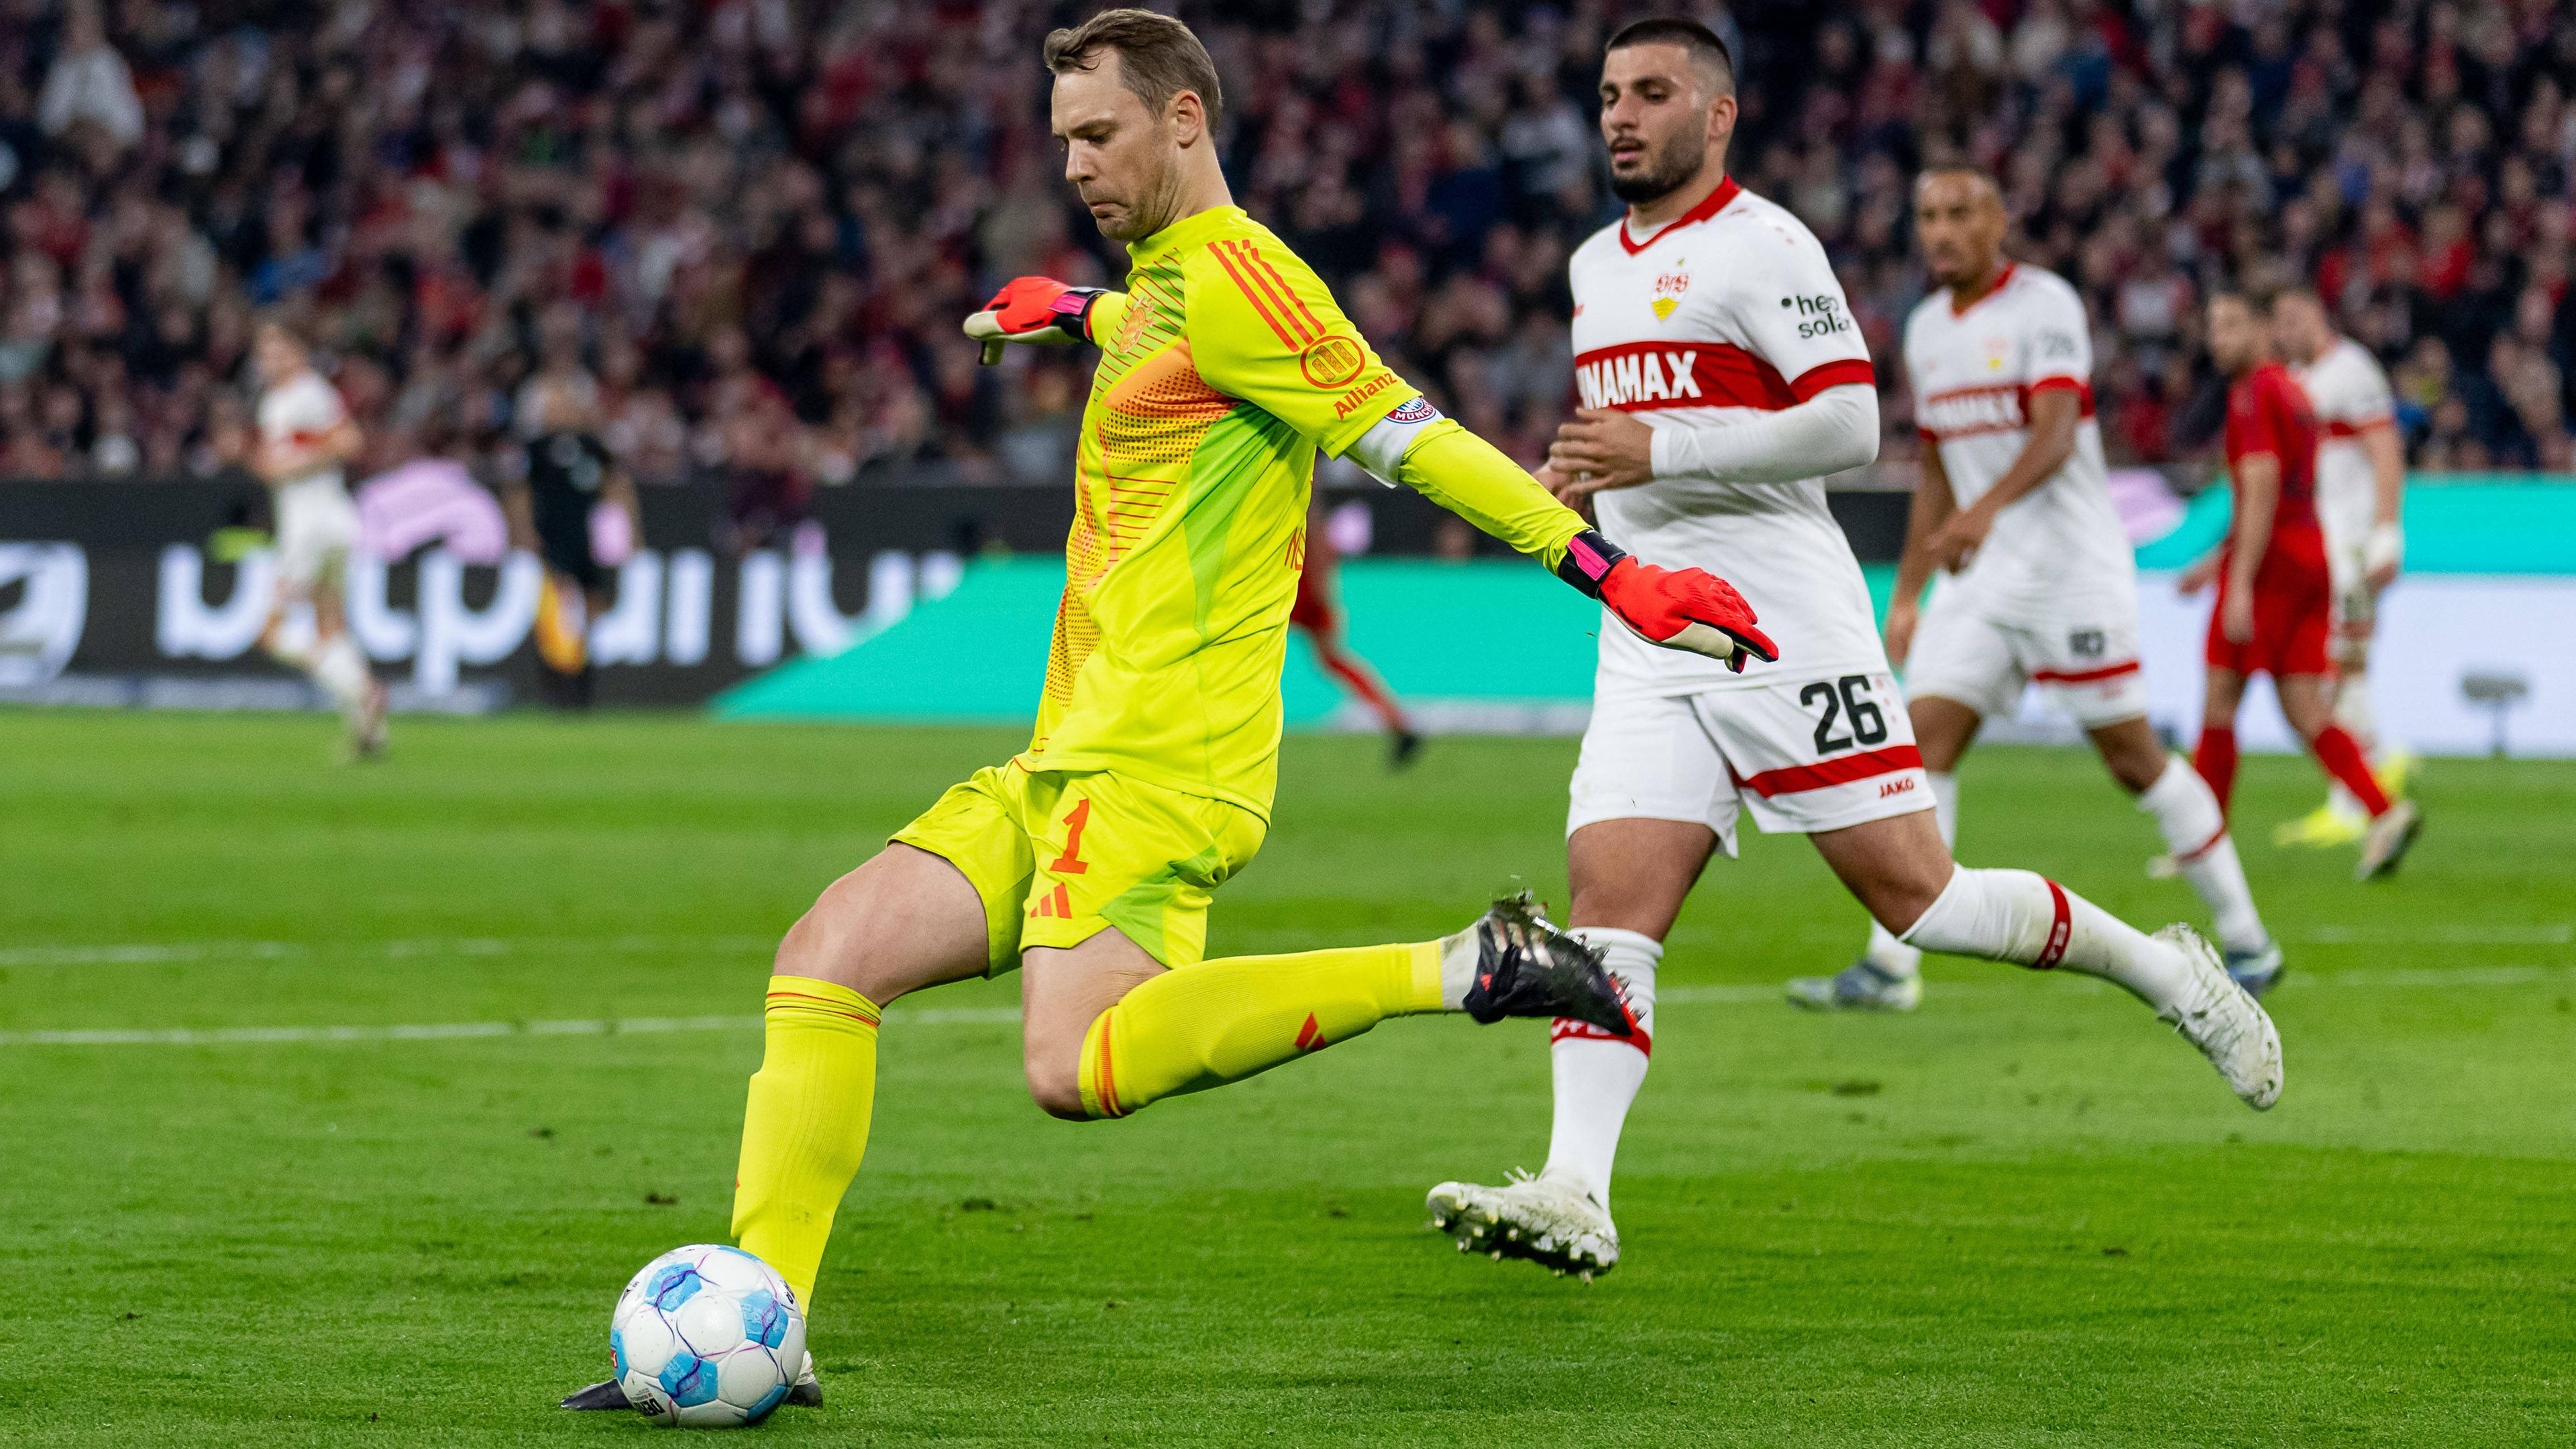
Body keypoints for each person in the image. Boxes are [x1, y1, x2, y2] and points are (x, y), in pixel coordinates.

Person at [564, 7, 1774, 1413]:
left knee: (1075, 1068)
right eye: (1063, 137)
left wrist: (1614, 573)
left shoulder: (1247, 275)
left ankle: (1461, 965)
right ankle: (768, 1320)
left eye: (1101, 132)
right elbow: (1167, 331)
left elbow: (1414, 438)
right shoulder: (1172, 283)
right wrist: (1070, 314)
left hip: (1159, 755)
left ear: (1185, 119)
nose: (1075, 164)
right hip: (1069, 747)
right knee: (826, 959)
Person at [1423, 19, 2282, 1283]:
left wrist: (1659, 453)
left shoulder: (1766, 247)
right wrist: (1604, 474)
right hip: (1653, 629)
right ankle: (1575, 1188)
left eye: (1652, 94)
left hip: (1780, 617)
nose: (1620, 116)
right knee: (1613, 907)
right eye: (1609, 94)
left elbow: (1846, 420)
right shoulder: (1591, 264)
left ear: (1716, 117)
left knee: (1921, 901)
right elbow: (1647, 428)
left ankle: (2166, 968)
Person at [1788, 167, 2279, 1011]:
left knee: (2132, 759)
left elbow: (2055, 433)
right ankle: (1890, 966)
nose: (1941, 232)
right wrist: (1907, 594)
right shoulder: (1926, 330)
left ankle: (2248, 940)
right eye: (1928, 217)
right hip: (1982, 581)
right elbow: (1937, 468)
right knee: (1918, 746)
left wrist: (1982, 514)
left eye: (1959, 215)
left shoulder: (2045, 306)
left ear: (1998, 222)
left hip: (2069, 569)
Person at [2186, 288, 2422, 881]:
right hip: (2311, 548)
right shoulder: (2293, 389)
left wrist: (2236, 577)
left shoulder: (2260, 391)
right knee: (2306, 702)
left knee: (2222, 694)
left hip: (2280, 560)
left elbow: (2264, 488)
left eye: (2230, 325)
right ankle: (2380, 808)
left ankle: (2204, 846)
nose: (2217, 340)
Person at [2272, 288, 2411, 848]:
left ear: (2319, 315)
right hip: (2315, 550)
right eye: (2280, 321)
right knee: (2342, 668)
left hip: (2350, 547)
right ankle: (2365, 787)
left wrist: (2386, 532)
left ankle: (2352, 799)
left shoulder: (2352, 371)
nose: (2287, 329)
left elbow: (2385, 450)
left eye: (2295, 316)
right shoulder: (2296, 378)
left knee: (2337, 666)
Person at [250, 320, 387, 757]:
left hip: (309, 528)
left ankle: (362, 690)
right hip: (335, 524)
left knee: (273, 634)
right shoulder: (279, 400)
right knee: (332, 627)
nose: (270, 359)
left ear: (299, 352)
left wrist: (288, 468)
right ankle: (370, 733)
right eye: (265, 350)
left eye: (279, 349)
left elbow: (349, 441)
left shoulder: (308, 393)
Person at [504, 369, 637, 709]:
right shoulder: (536, 448)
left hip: (587, 540)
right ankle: (560, 681)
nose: (562, 410)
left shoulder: (593, 446)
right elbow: (520, 493)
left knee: (593, 605)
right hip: (552, 539)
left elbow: (617, 484)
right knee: (560, 608)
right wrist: (523, 531)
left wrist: (629, 530)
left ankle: (587, 675)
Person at [1293, 494, 1424, 767]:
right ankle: (1397, 722)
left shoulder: (1302, 496)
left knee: (1330, 659)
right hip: (1300, 587)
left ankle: (1397, 723)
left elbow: (1317, 536)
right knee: (1333, 660)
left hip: (1298, 590)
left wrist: (1320, 592)